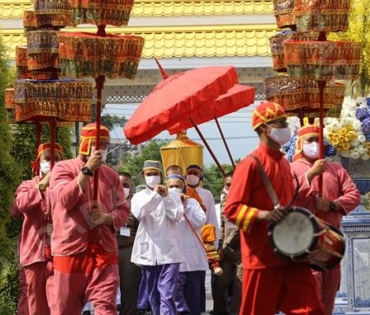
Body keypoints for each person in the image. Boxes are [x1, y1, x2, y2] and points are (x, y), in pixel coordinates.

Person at [224, 101, 324, 315]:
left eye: (284, 122)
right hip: (262, 255)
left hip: (292, 252)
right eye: (279, 123)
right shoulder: (250, 164)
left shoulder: (284, 164)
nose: (284, 127)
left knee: (311, 309)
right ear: (263, 128)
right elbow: (231, 209)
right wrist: (263, 215)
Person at [49, 123, 130, 315]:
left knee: (106, 305)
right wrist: (86, 171)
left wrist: (106, 218)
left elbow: (123, 210)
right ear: (85, 143)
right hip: (70, 248)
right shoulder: (62, 168)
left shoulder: (112, 176)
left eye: (105, 144)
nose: (101, 148)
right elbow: (65, 199)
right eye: (97, 143)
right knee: (65, 307)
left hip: (104, 249)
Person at [290, 121, 361, 315]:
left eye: (318, 140)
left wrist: (332, 205)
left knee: (329, 294)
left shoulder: (336, 169)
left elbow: (354, 195)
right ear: (300, 143)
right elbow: (285, 198)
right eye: (310, 140)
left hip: (331, 241)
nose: (314, 144)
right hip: (302, 243)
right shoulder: (291, 170)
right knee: (308, 296)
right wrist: (310, 175)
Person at [12, 142, 63, 315]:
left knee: (60, 301)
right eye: (47, 158)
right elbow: (18, 207)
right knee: (35, 304)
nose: (52, 162)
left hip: (61, 252)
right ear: (38, 161)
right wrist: (41, 186)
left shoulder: (64, 187)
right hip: (35, 254)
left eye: (56, 159)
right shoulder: (28, 185)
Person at [131, 160, 185, 315]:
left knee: (167, 293)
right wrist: (155, 195)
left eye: (155, 174)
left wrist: (166, 196)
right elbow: (140, 213)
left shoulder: (174, 195)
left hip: (170, 252)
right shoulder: (138, 197)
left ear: (161, 176)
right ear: (143, 176)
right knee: (154, 294)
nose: (152, 177)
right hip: (149, 252)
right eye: (149, 174)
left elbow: (176, 216)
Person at [165, 174, 208, 315]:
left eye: (177, 186)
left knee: (192, 298)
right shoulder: (163, 203)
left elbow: (199, 222)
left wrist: (185, 206)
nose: (174, 189)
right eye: (170, 186)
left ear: (183, 187)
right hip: (172, 257)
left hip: (192, 259)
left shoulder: (193, 203)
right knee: (175, 294)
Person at [212, 171, 242, 315]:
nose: (230, 187)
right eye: (227, 185)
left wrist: (223, 246)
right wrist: (219, 246)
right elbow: (221, 226)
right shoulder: (223, 202)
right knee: (219, 283)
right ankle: (220, 311)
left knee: (239, 287)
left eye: (233, 185)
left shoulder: (245, 201)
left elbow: (238, 228)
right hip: (225, 251)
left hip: (242, 252)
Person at [116, 171, 142, 315]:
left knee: (130, 286)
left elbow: (141, 229)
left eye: (125, 184)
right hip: (109, 247)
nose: (122, 187)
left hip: (130, 248)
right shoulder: (105, 202)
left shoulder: (137, 203)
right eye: (119, 184)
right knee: (106, 288)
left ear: (131, 186)